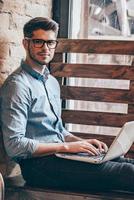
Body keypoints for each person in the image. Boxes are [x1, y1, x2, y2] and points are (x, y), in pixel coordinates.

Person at [1, 17, 134, 192]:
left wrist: (83, 143)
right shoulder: (17, 86)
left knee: (127, 163)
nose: (45, 48)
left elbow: (58, 131)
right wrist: (68, 147)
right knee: (128, 172)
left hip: (59, 156)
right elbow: (14, 145)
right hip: (38, 167)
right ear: (26, 43)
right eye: (38, 42)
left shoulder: (51, 82)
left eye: (50, 42)